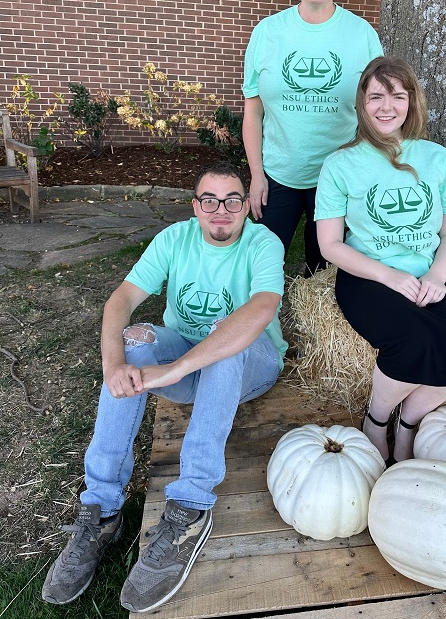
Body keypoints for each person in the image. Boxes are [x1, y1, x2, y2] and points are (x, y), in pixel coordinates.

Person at [42, 159, 287, 613]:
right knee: (135, 344)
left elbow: (261, 311)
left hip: (250, 365)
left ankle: (190, 507)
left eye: (232, 200)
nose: (221, 210)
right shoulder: (174, 239)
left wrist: (173, 371)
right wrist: (114, 362)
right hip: (185, 357)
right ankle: (102, 509)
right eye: (209, 201)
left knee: (226, 339)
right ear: (195, 207)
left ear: (245, 206)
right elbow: (122, 300)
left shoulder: (263, 243)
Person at [315, 57, 446, 464]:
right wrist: (389, 276)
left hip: (428, 274)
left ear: (411, 103)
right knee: (412, 340)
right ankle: (376, 418)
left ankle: (409, 421)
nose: (386, 106)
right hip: (368, 277)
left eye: (397, 96)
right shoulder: (340, 164)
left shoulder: (436, 158)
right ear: (362, 104)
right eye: (375, 96)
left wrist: (439, 276)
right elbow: (331, 245)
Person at [242, 0, 383, 275]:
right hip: (278, 172)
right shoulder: (266, 33)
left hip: (338, 175)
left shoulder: (362, 35)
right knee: (259, 262)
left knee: (324, 270)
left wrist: (367, 171)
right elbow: (253, 111)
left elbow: (377, 111)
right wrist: (256, 175)